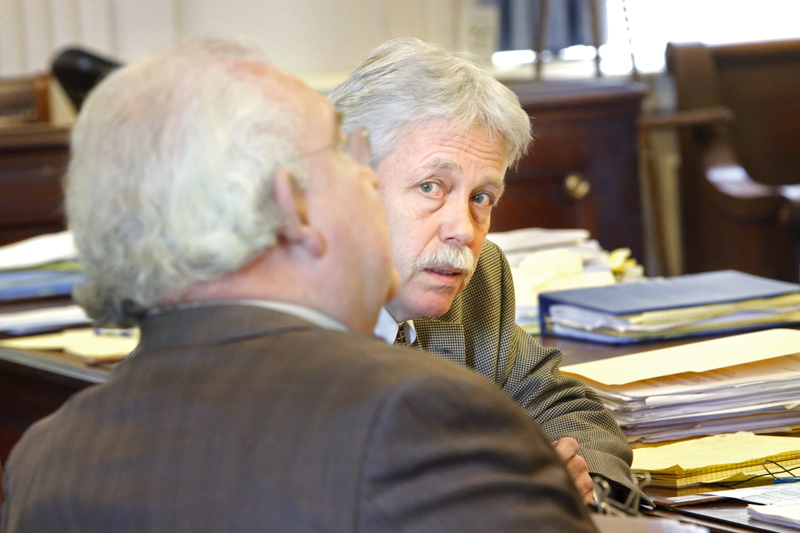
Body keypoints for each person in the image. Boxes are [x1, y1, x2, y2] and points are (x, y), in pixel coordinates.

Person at [1, 39, 598, 532]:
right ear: (291, 207)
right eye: (342, 162)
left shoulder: (43, 456)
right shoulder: (411, 414)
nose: (461, 228)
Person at [330, 37, 642, 505]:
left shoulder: (478, 280)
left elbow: (561, 406)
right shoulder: (290, 305)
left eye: (481, 197)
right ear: (351, 186)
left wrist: (580, 482)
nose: (463, 230)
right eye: (431, 187)